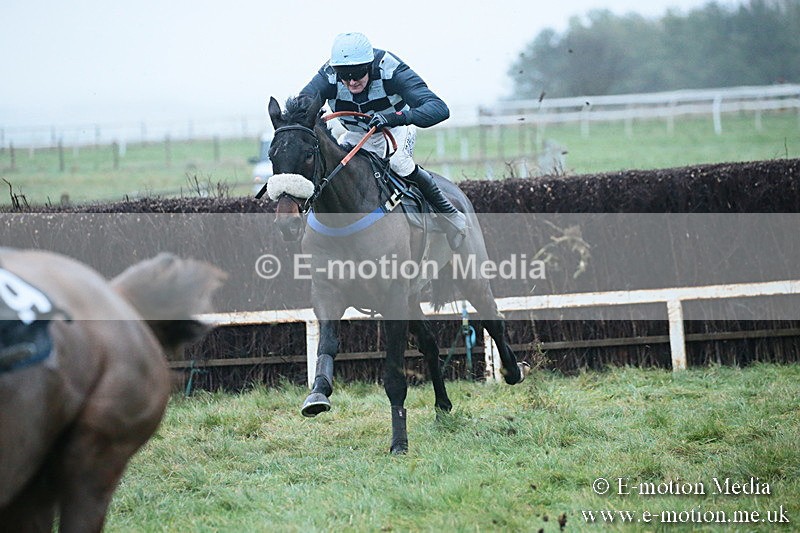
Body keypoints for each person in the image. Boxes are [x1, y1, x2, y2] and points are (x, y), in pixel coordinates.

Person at [300, 32, 467, 249]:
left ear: (369, 65)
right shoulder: (328, 75)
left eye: (358, 73)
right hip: (355, 134)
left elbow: (439, 109)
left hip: (395, 129)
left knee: (399, 163)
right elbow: (301, 106)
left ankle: (450, 215)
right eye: (344, 75)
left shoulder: (391, 70)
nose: (351, 81)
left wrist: (395, 118)